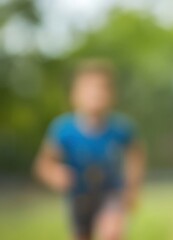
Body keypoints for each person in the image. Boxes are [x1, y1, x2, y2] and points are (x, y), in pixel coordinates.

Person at [33, 59, 146, 240]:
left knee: (112, 233)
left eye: (102, 89)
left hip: (111, 193)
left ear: (112, 95)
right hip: (79, 197)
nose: (95, 94)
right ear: (74, 95)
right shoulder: (63, 130)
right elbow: (43, 164)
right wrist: (56, 174)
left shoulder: (121, 128)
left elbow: (136, 155)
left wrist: (132, 187)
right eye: (88, 89)